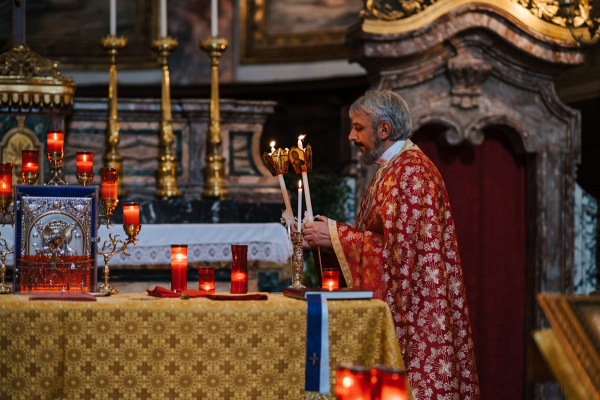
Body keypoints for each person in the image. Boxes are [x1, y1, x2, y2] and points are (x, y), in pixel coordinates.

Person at [302, 90, 481, 399]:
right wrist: (327, 237)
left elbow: (400, 259)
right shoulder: (392, 169)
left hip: (417, 316)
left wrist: (333, 235)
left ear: (383, 130)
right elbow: (384, 243)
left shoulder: (411, 172)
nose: (350, 136)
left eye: (358, 127)